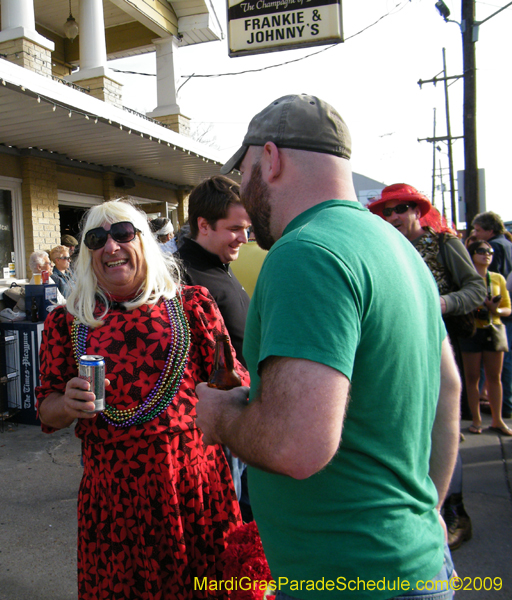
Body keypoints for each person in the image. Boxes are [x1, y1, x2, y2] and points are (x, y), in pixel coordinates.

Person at [196, 94, 460, 599]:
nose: (244, 194)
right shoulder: (394, 246)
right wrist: (426, 509)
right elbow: (448, 388)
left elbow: (297, 446)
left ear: (270, 159)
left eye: (246, 170)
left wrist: (222, 415)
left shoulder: (306, 252)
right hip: (415, 559)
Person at [35, 200, 247, 599]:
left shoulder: (193, 305)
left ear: (144, 241)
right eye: (96, 239)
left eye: (122, 234)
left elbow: (232, 384)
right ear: (87, 254)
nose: (110, 247)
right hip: (116, 504)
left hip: (194, 491)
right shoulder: (66, 322)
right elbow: (46, 409)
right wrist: (65, 404)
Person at [368, 183, 484, 551]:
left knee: (444, 426)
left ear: (418, 210)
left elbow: (477, 290)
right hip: (402, 349)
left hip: (441, 346)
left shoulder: (445, 244)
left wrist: (441, 304)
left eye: (401, 208)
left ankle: (455, 513)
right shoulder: (386, 248)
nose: (393, 217)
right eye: (387, 211)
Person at [174, 175, 252, 517]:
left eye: (246, 228)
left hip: (244, 414)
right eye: (235, 228)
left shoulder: (219, 265)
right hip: (216, 427)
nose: (244, 238)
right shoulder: (180, 275)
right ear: (203, 225)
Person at [460, 240, 511, 435]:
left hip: (494, 328)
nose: (486, 254)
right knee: (472, 377)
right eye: (481, 251)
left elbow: (508, 309)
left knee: (494, 377)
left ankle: (497, 420)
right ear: (471, 254)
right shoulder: (466, 278)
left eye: (489, 251)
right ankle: (476, 420)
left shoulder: (497, 278)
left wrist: (495, 308)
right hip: (472, 329)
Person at [471, 211, 512, 419]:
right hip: (498, 318)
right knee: (498, 370)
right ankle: (501, 409)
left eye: (478, 230)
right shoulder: (507, 245)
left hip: (494, 319)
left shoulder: (496, 249)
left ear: (490, 230)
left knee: (495, 371)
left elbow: (494, 283)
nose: (476, 234)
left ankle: (500, 408)